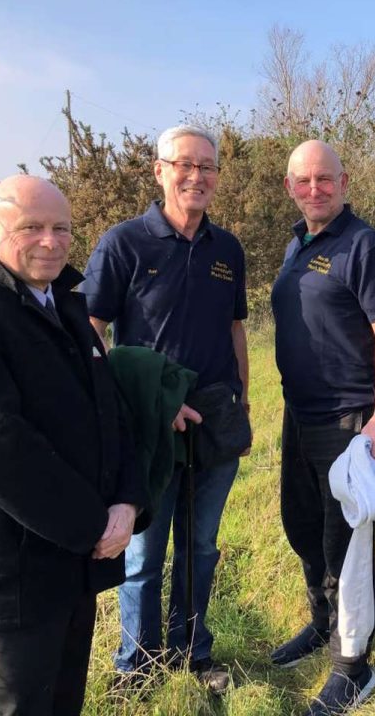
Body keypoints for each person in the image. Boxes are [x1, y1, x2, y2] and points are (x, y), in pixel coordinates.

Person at [0, 175, 146, 715]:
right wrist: (95, 526)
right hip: (5, 585)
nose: (50, 241)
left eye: (61, 228)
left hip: (72, 573)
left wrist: (128, 503)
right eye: (32, 227)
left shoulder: (66, 307)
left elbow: (111, 412)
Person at [81, 124, 249, 693]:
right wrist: (145, 402)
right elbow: (89, 334)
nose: (196, 176)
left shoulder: (228, 250)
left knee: (200, 547)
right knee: (145, 551)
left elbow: (235, 329)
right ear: (160, 170)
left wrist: (242, 401)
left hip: (216, 422)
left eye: (207, 166)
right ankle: (137, 666)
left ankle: (192, 654)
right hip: (152, 422)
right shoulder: (124, 242)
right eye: (185, 164)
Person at [270, 140, 375, 715]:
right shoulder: (296, 244)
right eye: (304, 181)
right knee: (302, 526)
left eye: (325, 180)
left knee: (345, 546)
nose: (314, 190)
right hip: (299, 413)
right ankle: (323, 624)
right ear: (290, 188)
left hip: (351, 420)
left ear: (343, 182)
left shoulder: (364, 244)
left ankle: (354, 667)